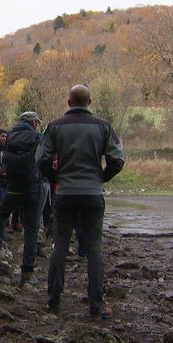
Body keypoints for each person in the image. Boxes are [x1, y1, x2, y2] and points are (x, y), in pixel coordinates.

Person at [36, 84, 124, 320]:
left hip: (65, 193)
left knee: (60, 246)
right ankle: (96, 305)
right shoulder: (103, 127)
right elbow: (117, 160)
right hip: (92, 193)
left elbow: (42, 159)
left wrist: (56, 178)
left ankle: (54, 302)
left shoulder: (54, 127)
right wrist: (101, 178)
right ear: (90, 102)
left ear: (68, 102)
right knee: (94, 248)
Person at [0, 112, 44, 285]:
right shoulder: (37, 137)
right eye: (37, 122)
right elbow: (45, 158)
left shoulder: (10, 136)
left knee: (1, 215)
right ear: (33, 123)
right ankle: (26, 273)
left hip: (12, 186)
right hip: (32, 187)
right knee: (32, 229)